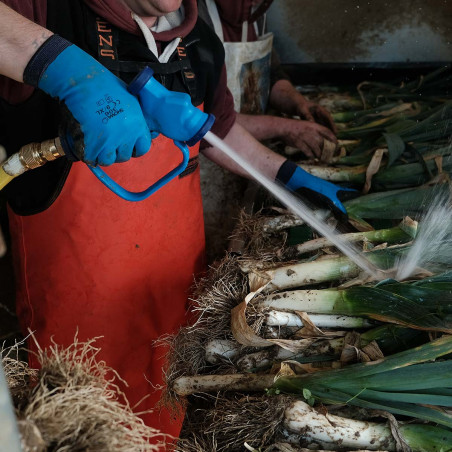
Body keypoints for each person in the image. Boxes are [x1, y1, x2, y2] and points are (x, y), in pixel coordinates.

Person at [0, 0, 350, 442]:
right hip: (82, 299)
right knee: (79, 427)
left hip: (170, 279)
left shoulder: (199, 39)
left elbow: (216, 132)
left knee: (163, 402)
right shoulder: (47, 11)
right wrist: (63, 67)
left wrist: (286, 174)